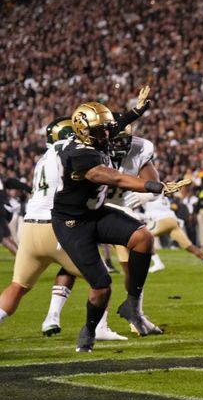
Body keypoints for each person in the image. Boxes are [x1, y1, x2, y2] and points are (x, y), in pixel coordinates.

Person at [52, 99, 189, 352]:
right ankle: (89, 331)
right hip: (72, 223)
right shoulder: (79, 154)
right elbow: (114, 177)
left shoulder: (93, 137)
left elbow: (115, 126)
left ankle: (132, 305)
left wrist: (137, 111)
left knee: (143, 238)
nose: (107, 134)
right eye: (101, 131)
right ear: (84, 131)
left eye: (106, 129)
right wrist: (154, 186)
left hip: (95, 212)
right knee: (102, 286)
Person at [0, 119, 82, 340]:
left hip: (30, 227)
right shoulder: (72, 152)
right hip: (55, 226)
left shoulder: (42, 159)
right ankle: (55, 318)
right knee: (98, 278)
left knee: (18, 284)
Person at [0, 149, 31, 271]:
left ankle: (25, 262)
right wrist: (28, 188)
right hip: (4, 208)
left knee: (5, 239)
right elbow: (11, 182)